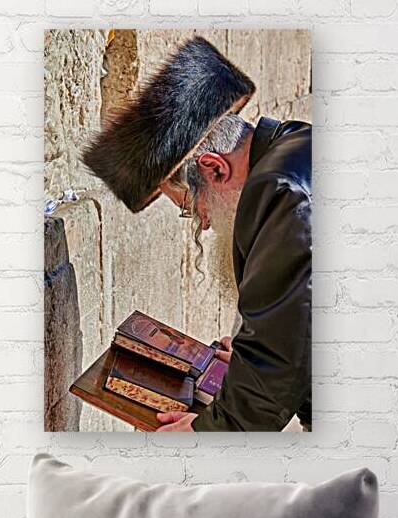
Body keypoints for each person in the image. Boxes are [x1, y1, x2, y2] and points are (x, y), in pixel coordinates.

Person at [82, 35, 311, 432]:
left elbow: (276, 362)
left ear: (214, 168)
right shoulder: (295, 143)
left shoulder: (279, 194)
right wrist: (245, 361)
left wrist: (200, 433)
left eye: (190, 207)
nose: (202, 223)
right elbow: (297, 325)